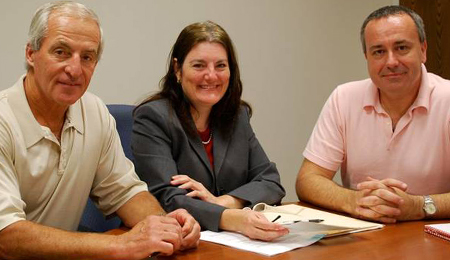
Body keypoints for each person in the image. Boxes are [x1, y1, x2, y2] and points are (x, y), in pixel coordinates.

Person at [0, 2, 200, 259]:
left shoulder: (93, 112)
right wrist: (123, 245)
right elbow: (5, 235)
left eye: (87, 57)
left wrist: (166, 225)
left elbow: (124, 192)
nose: (74, 70)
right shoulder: (4, 120)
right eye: (61, 52)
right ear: (31, 54)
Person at [132, 21, 288, 241]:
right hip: (173, 243)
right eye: (199, 65)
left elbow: (271, 182)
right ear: (177, 69)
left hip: (232, 245)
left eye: (221, 66)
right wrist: (232, 218)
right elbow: (168, 199)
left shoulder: (237, 116)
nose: (211, 76)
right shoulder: (153, 118)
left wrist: (224, 202)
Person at [296, 5, 450, 224]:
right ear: (366, 57)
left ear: (423, 50)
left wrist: (419, 206)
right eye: (378, 51)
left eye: (402, 48)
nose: (391, 62)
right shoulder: (344, 98)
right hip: (366, 237)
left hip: (432, 239)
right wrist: (354, 201)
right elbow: (308, 179)